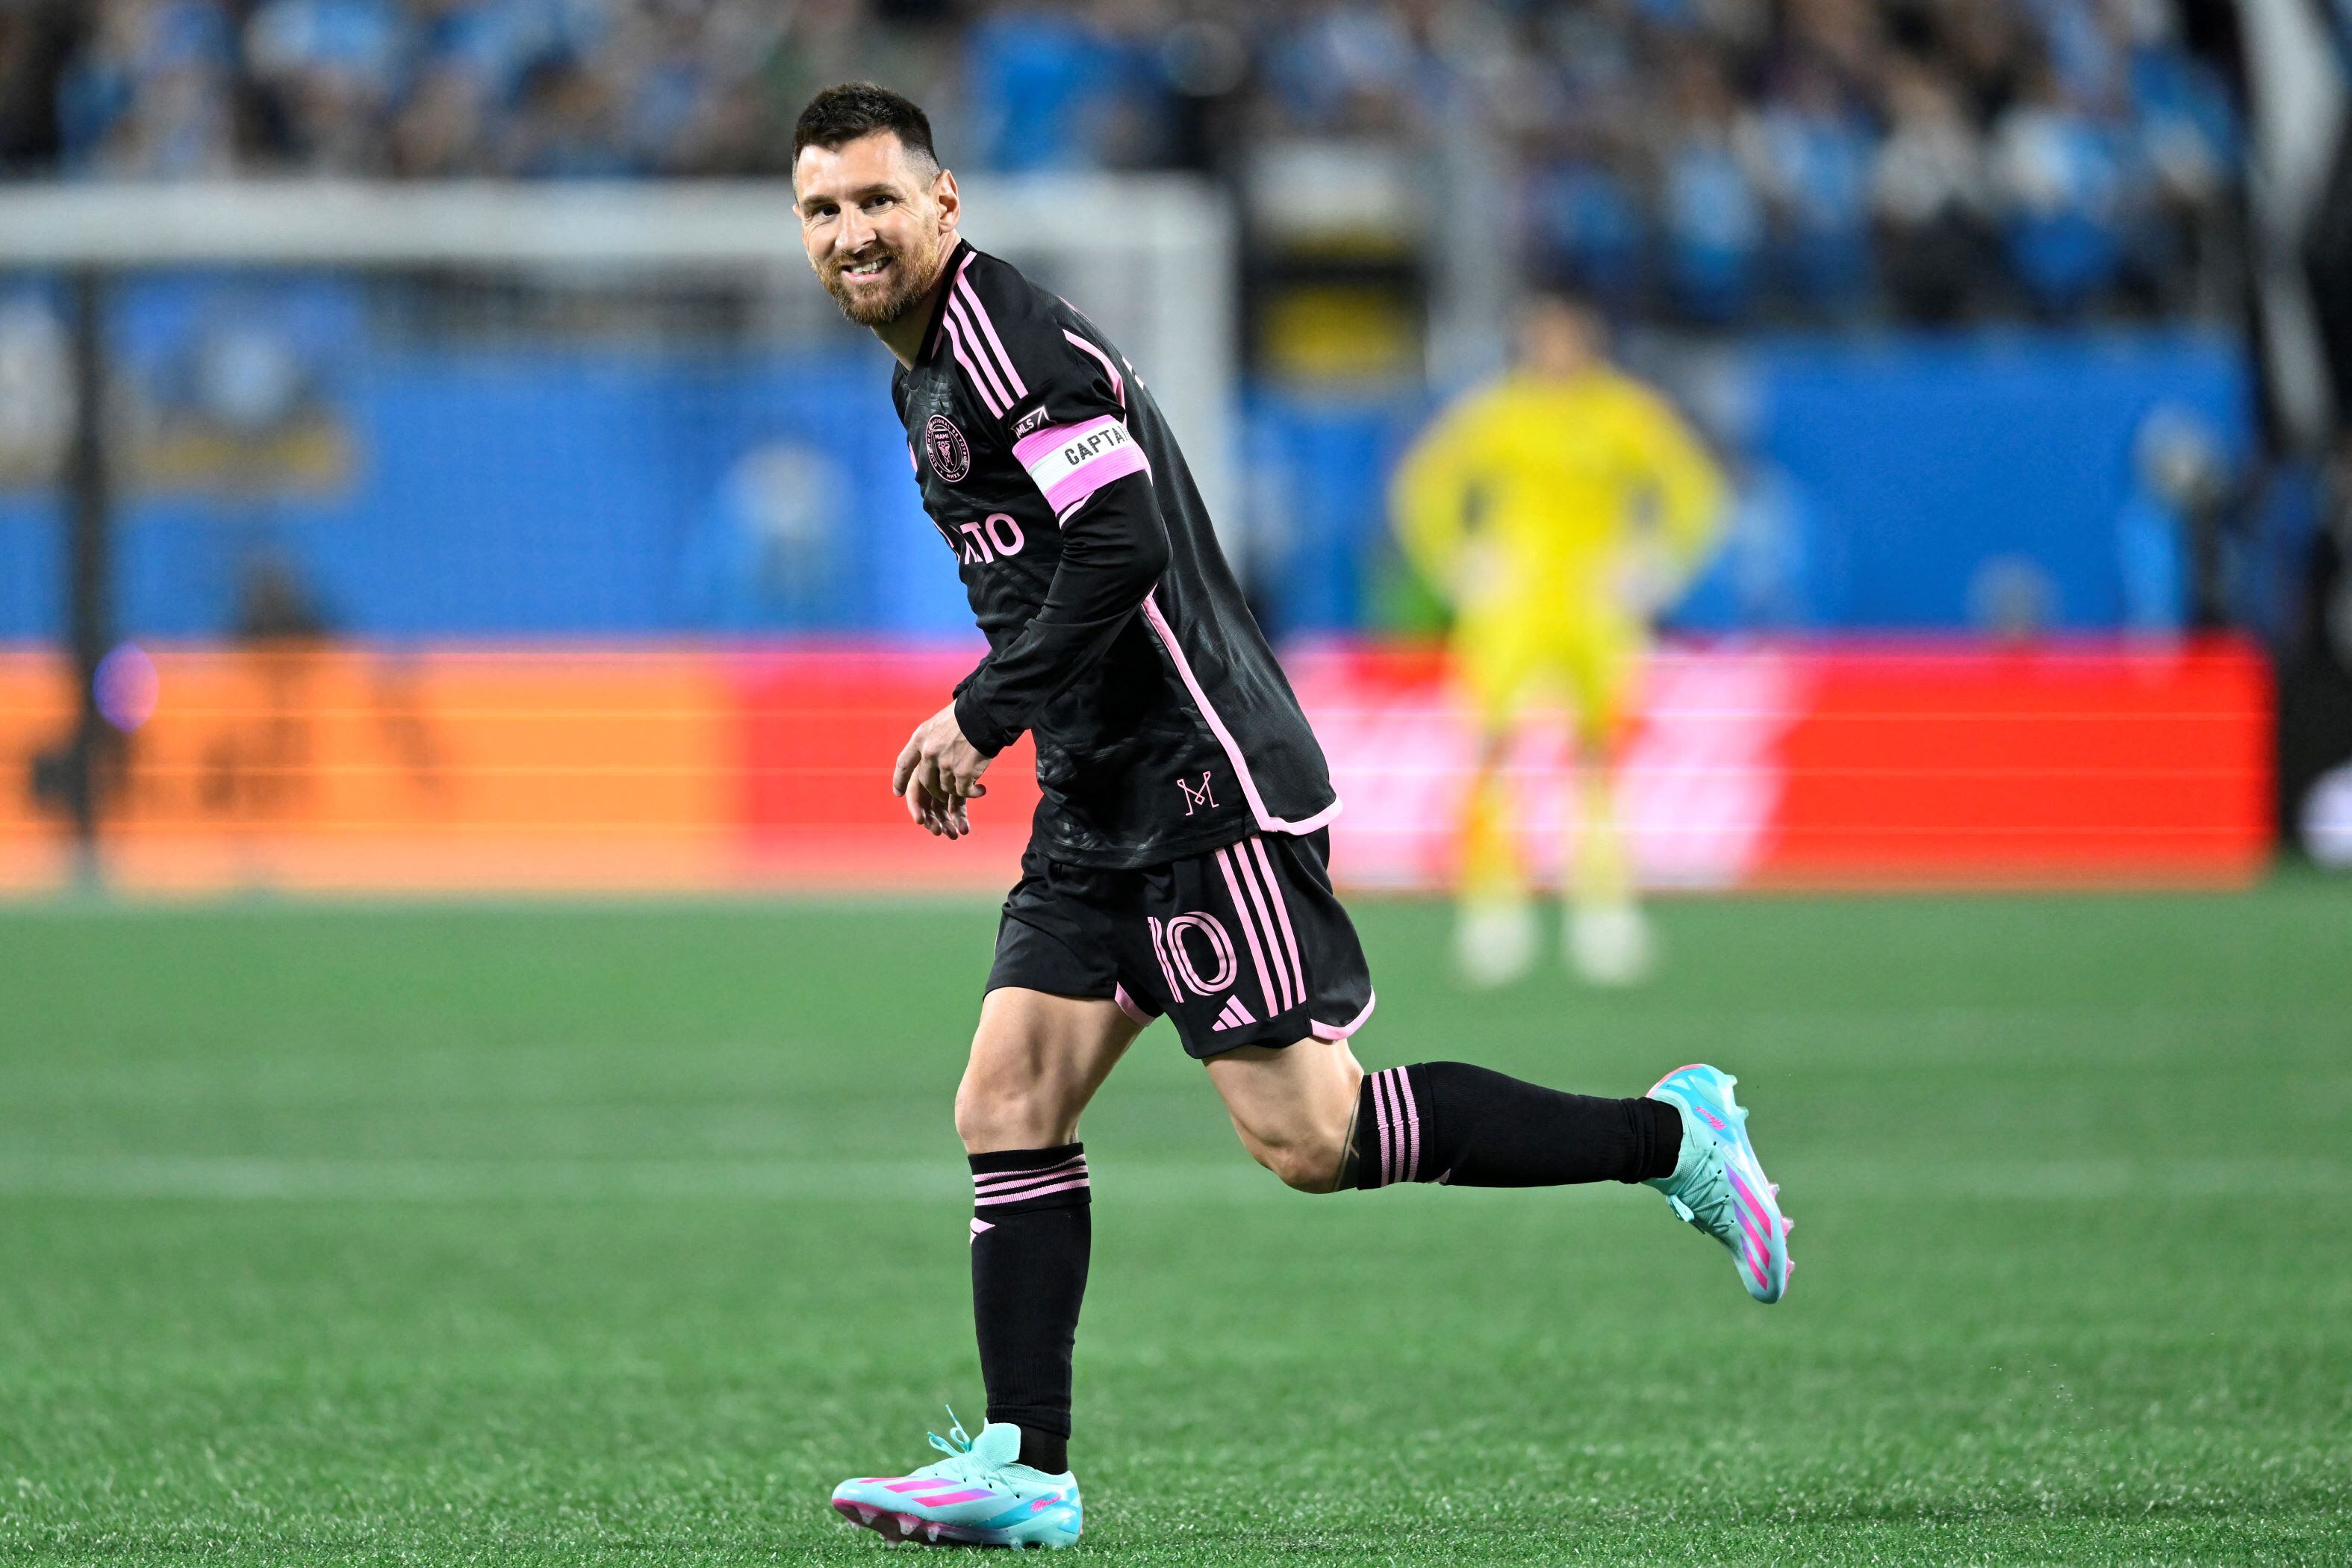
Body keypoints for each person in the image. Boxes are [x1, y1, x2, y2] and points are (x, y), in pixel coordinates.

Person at [790, 83, 1791, 1552]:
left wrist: (981, 711)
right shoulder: (923, 369)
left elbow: (1119, 539)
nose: (852, 232)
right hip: (1095, 792)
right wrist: (1037, 726)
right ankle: (1026, 1468)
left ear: (944, 205)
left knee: (1310, 1137)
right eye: (823, 209)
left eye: (878, 200)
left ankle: (1674, 1136)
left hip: (1201, 787)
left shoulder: (1008, 342)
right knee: (1005, 1100)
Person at [1391, 290, 1729, 989]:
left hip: (1595, 608)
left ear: (1589, 340)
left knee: (1599, 754)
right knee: (1491, 753)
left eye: (1566, 337)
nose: (1555, 351)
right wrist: (1458, 561)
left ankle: (1600, 905)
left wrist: (1657, 566)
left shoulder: (1623, 412)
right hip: (1512, 609)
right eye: (1543, 338)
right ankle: (1494, 909)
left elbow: (1693, 491)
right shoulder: (1500, 412)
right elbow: (1425, 486)